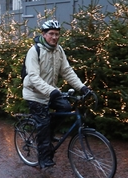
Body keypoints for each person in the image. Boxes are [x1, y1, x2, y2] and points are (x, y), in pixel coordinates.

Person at [22, 20, 90, 169]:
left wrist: (82, 87)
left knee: (65, 108)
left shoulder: (59, 50)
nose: (54, 37)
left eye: (57, 34)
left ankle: (48, 133)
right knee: (43, 124)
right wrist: (51, 91)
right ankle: (44, 158)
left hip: (50, 93)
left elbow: (66, 71)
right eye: (51, 34)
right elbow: (33, 77)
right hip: (34, 94)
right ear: (44, 34)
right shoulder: (34, 51)